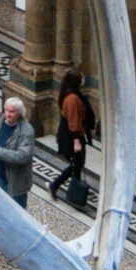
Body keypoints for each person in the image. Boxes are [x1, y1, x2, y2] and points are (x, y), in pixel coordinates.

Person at [51, 69, 94, 201]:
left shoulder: (71, 94)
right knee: (77, 164)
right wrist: (77, 141)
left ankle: (75, 190)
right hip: (72, 137)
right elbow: (74, 121)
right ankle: (55, 185)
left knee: (78, 163)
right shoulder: (73, 98)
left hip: (73, 135)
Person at [0, 97, 36, 205]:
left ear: (19, 113)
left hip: (15, 182)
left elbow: (23, 156)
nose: (8, 114)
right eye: (7, 110)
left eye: (12, 112)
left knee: (16, 214)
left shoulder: (26, 130)